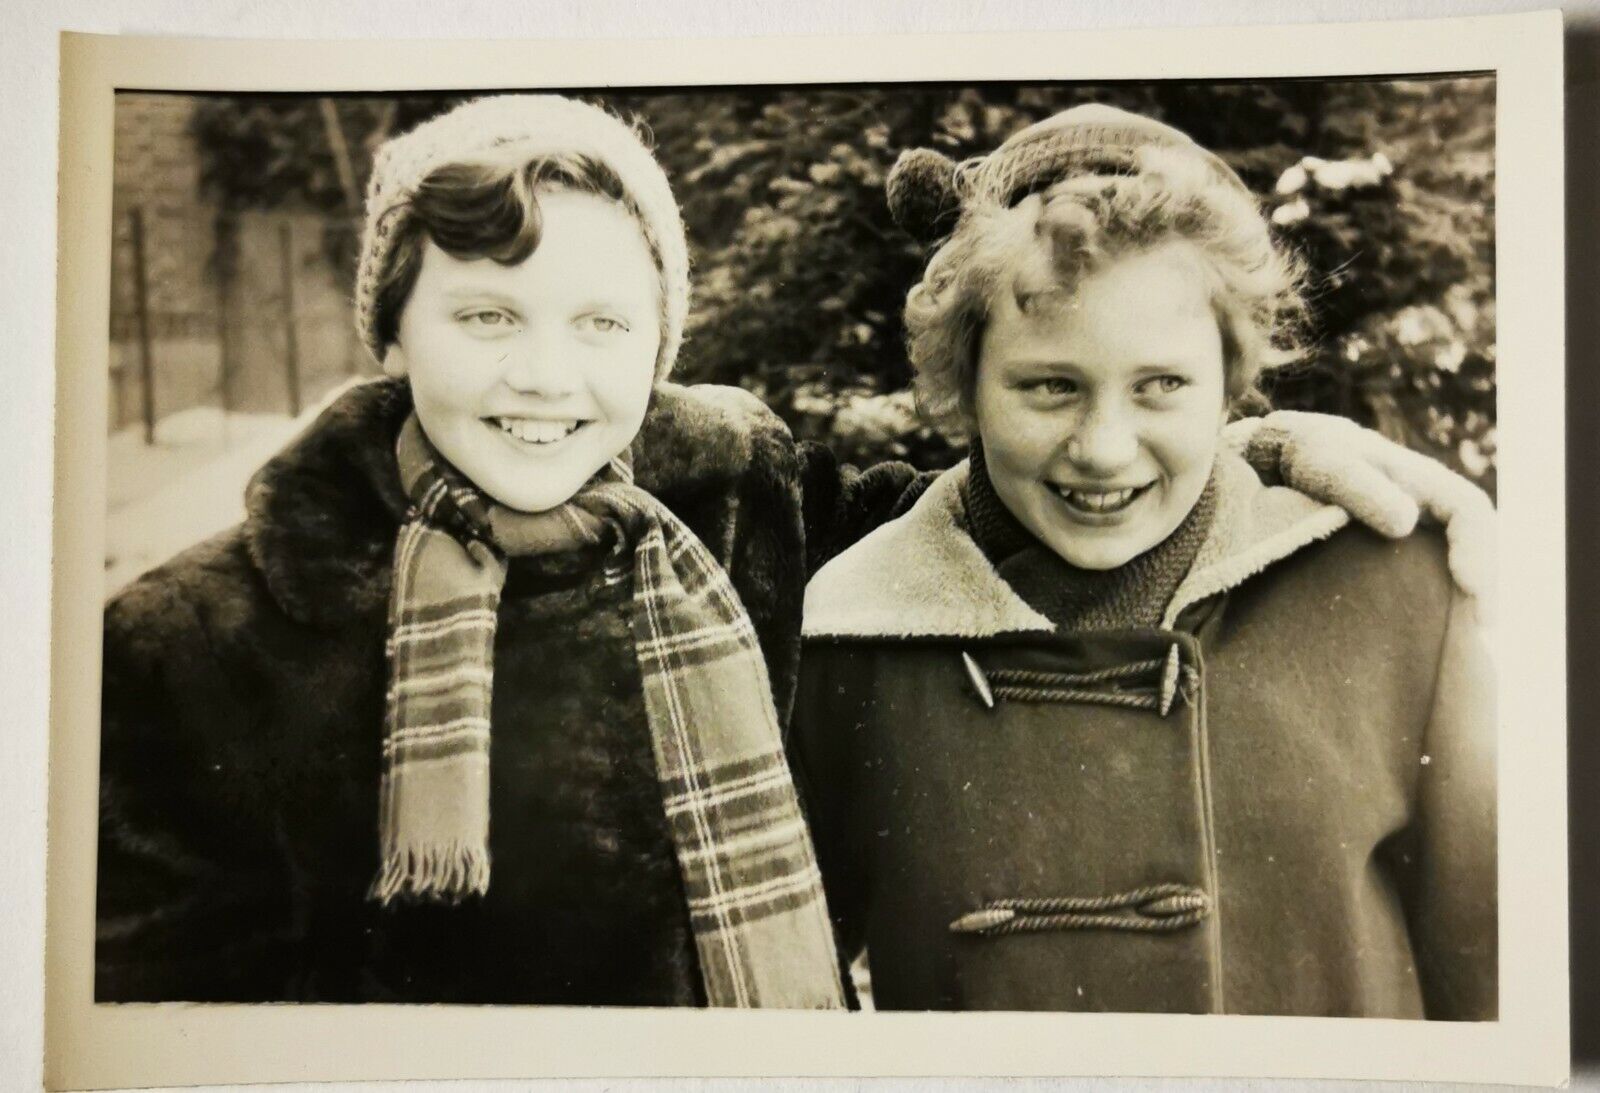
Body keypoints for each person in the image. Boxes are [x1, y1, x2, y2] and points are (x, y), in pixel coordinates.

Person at [95, 94, 1488, 1008]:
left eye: (600, 323)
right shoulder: (189, 644)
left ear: (663, 341)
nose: (545, 379)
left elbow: (1036, 480)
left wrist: (1270, 447)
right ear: (391, 329)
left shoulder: (744, 498)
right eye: (484, 318)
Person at [795, 104, 1496, 1018]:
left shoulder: (1396, 592)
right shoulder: (848, 638)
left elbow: (1503, 996)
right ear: (964, 381)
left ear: (1231, 379)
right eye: (1050, 386)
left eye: (1162, 385)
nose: (1104, 448)